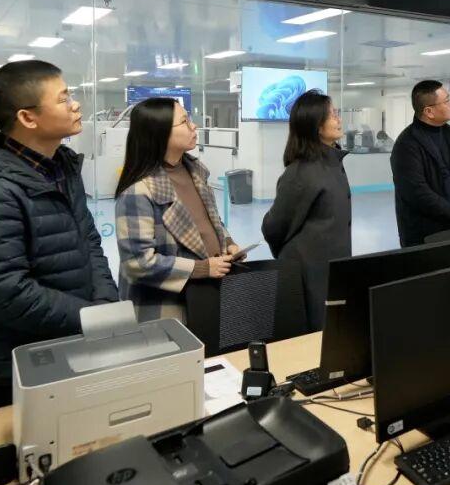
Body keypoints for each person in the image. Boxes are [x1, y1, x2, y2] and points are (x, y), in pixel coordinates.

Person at [0, 60, 119, 409]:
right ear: (28, 118)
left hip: (72, 344)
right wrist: (91, 318)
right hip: (16, 368)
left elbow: (89, 243)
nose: (76, 105)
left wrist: (105, 305)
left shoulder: (62, 168)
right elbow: (2, 290)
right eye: (63, 98)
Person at [115, 98, 242, 322]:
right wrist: (201, 268)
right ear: (160, 133)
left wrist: (228, 243)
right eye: (184, 121)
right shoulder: (139, 191)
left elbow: (210, 221)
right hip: (166, 308)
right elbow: (138, 263)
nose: (194, 126)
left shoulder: (196, 172)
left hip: (206, 295)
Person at [262, 90, 351, 330]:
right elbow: (273, 227)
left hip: (331, 268)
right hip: (308, 272)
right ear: (316, 125)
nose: (338, 119)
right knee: (313, 334)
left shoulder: (332, 163)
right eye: (332, 114)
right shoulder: (301, 173)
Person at [390, 80, 450, 247]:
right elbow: (418, 193)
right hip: (424, 235)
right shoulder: (406, 145)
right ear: (429, 111)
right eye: (446, 101)